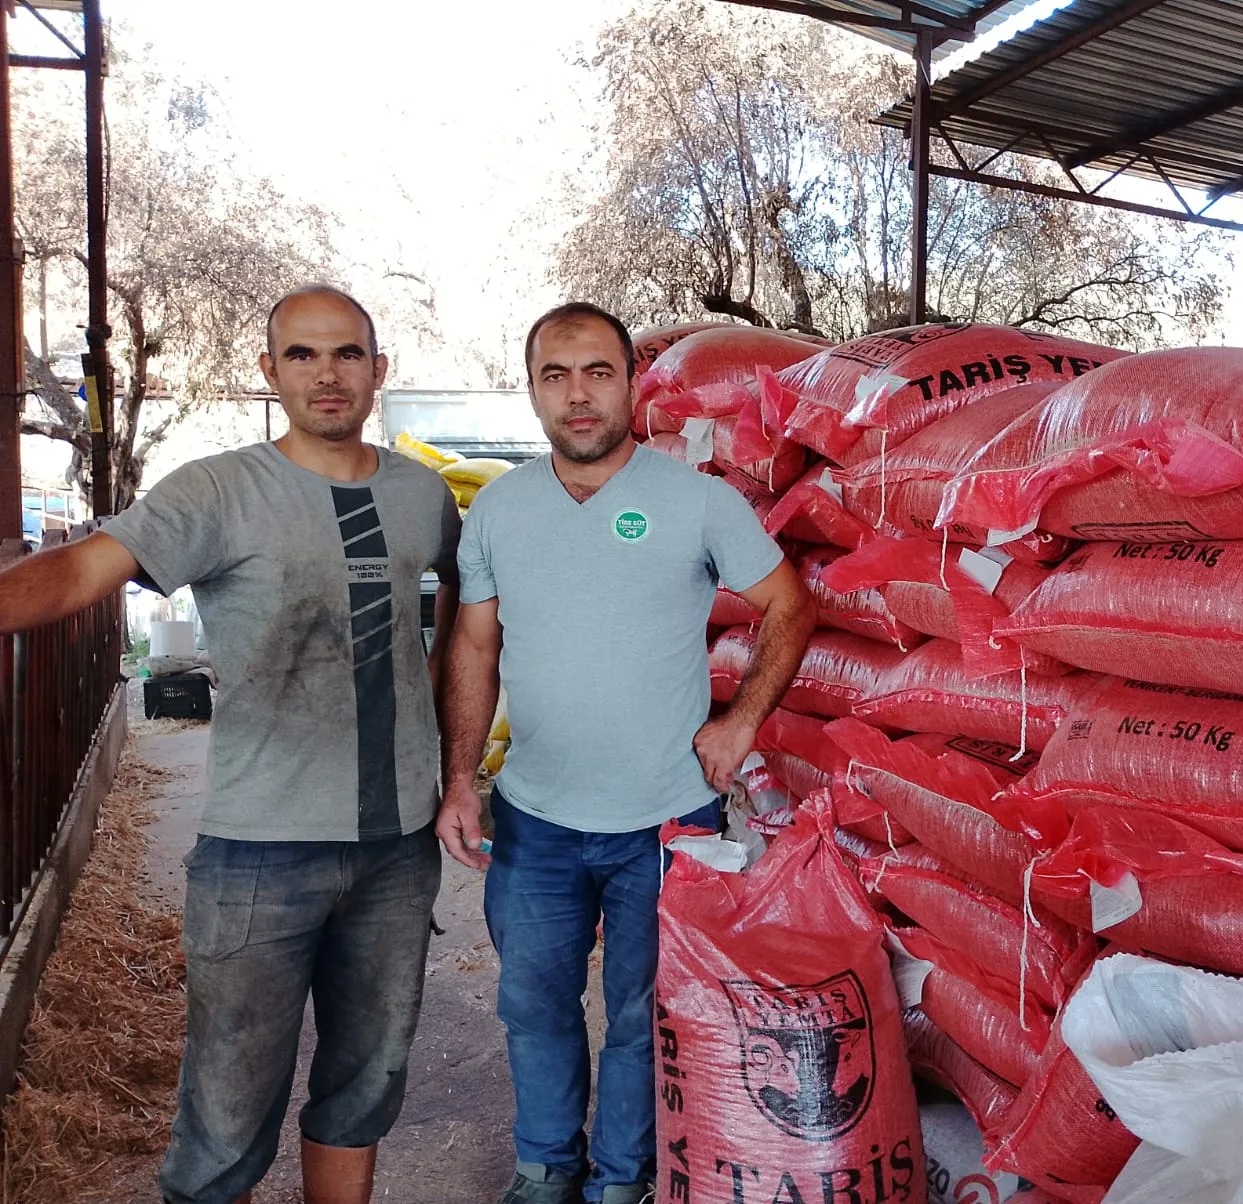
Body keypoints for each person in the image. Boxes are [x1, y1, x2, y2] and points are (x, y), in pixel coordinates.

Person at [0, 285, 462, 1204]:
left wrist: (454, 764)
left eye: (346, 354)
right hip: (260, 852)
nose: (326, 375)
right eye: (301, 355)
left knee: (364, 1086)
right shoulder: (219, 489)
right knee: (226, 1111)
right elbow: (86, 569)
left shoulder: (423, 494)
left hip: (398, 849)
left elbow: (464, 606)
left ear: (379, 369)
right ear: (268, 372)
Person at [437, 302, 814, 1204]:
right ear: (531, 390)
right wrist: (459, 778)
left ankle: (620, 1178)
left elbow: (791, 606)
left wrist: (742, 722)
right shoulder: (497, 510)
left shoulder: (696, 501)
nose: (578, 394)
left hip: (666, 817)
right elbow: (473, 648)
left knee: (645, 1017)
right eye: (555, 375)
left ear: (631, 383)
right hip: (535, 819)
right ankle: (545, 1167)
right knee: (534, 1006)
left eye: (597, 372)